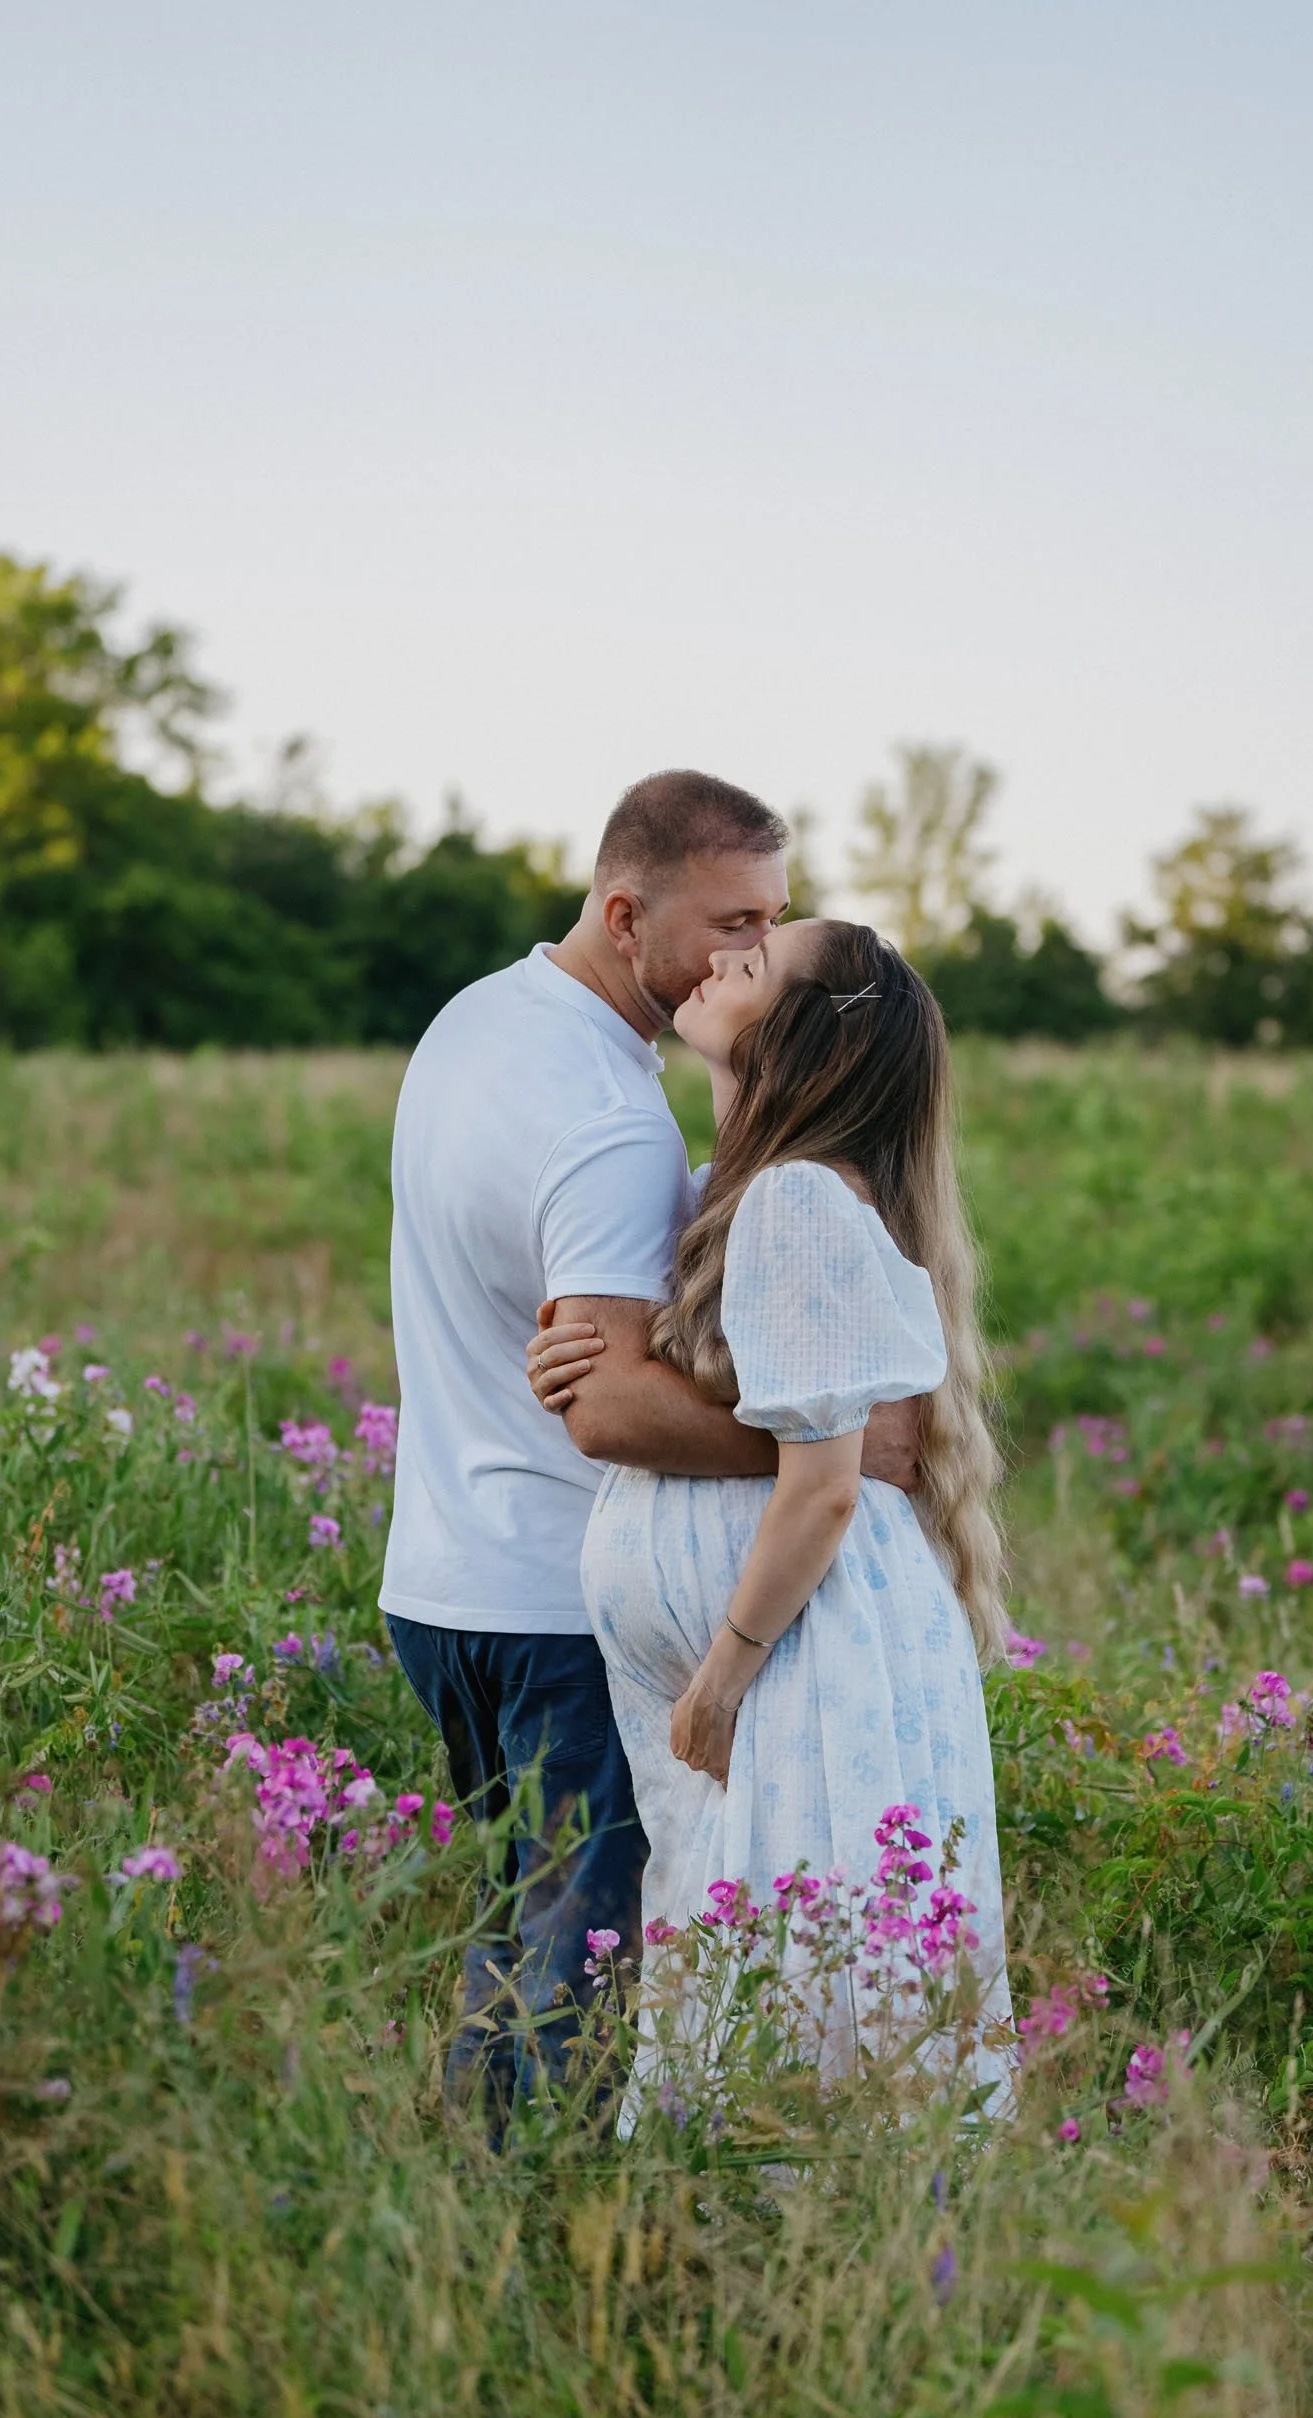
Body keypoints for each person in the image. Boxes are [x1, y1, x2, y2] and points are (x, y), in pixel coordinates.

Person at [379, 770, 917, 2125]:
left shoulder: (472, 1022)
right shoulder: (614, 1121)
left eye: (770, 922)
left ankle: (473, 2212)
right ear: (626, 914)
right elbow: (610, 1405)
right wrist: (838, 1450)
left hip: (439, 1585)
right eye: (732, 921)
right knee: (585, 1966)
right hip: (552, 1605)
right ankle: (553, 2251)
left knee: (514, 1939)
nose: (751, 953)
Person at [527, 916, 1013, 2106]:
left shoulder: (795, 1200)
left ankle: (815, 2259)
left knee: (798, 1988)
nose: (715, 964)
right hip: (796, 1648)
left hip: (802, 1649)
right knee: (778, 1975)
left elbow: (825, 1483)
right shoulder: (743, 1193)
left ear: (797, 1040)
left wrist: (718, 1675)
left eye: (751, 965)